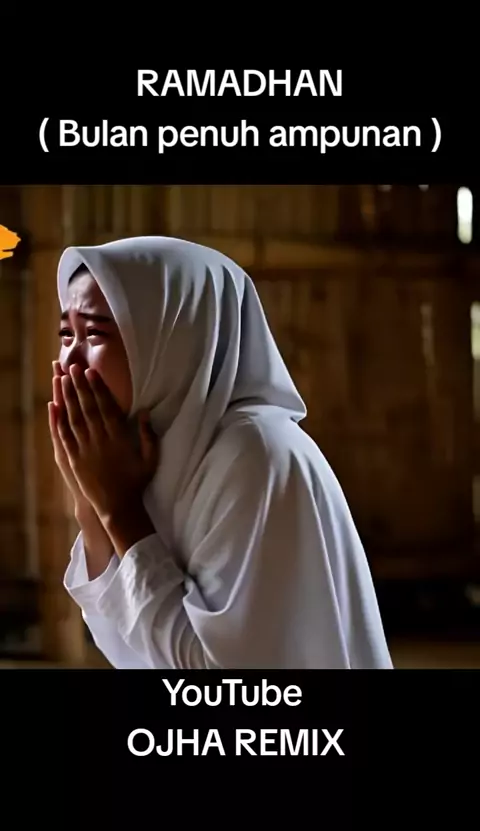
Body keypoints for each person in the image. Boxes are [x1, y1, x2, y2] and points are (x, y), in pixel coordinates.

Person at [49, 235, 393, 670]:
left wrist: (118, 512)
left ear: (173, 337)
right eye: (66, 334)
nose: (70, 362)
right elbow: (125, 647)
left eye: (95, 333)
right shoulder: (153, 455)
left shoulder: (257, 457)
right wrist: (90, 506)